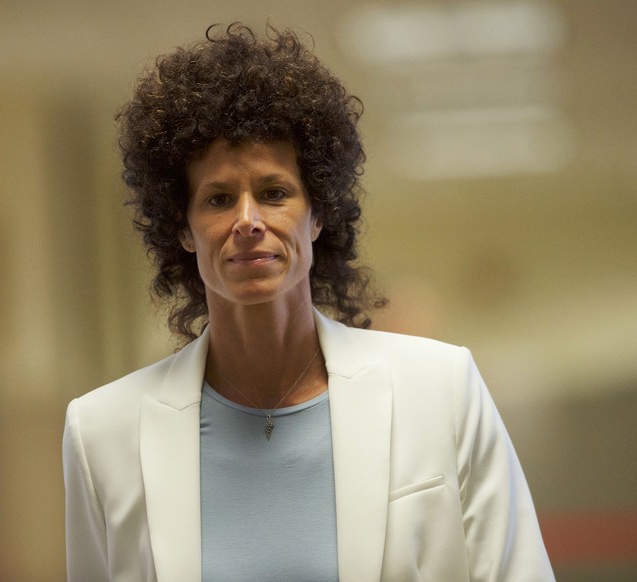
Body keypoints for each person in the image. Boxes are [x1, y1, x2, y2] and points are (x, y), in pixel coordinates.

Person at [62, 23, 554, 582]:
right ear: (182, 228)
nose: (247, 222)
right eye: (218, 199)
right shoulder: (102, 431)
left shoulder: (441, 387)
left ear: (317, 214)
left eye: (274, 193)